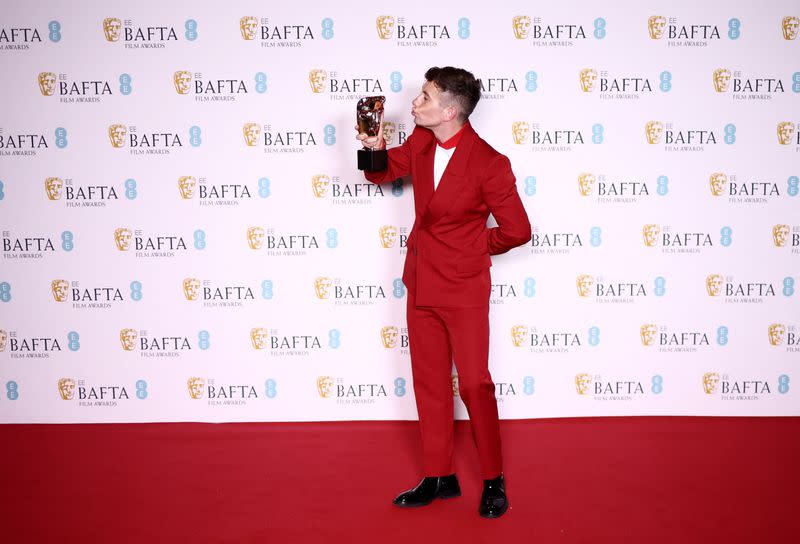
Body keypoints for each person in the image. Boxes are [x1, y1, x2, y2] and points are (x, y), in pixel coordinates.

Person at [356, 66, 531, 519]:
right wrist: (373, 150)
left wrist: (474, 248)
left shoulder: (491, 163)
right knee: (430, 383)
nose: (414, 103)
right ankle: (440, 476)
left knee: (474, 383)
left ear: (450, 110)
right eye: (419, 94)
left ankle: (493, 478)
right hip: (421, 280)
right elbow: (383, 174)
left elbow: (518, 230)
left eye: (425, 97)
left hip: (464, 286)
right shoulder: (420, 140)